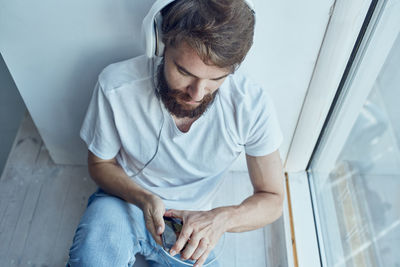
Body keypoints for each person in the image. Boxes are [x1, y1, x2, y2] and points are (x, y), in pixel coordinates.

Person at [67, 0, 285, 266]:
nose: (197, 93)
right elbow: (100, 163)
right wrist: (144, 198)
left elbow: (272, 199)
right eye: (184, 71)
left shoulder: (251, 106)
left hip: (193, 223)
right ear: (159, 43)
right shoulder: (116, 86)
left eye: (215, 79)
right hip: (127, 199)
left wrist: (221, 219)